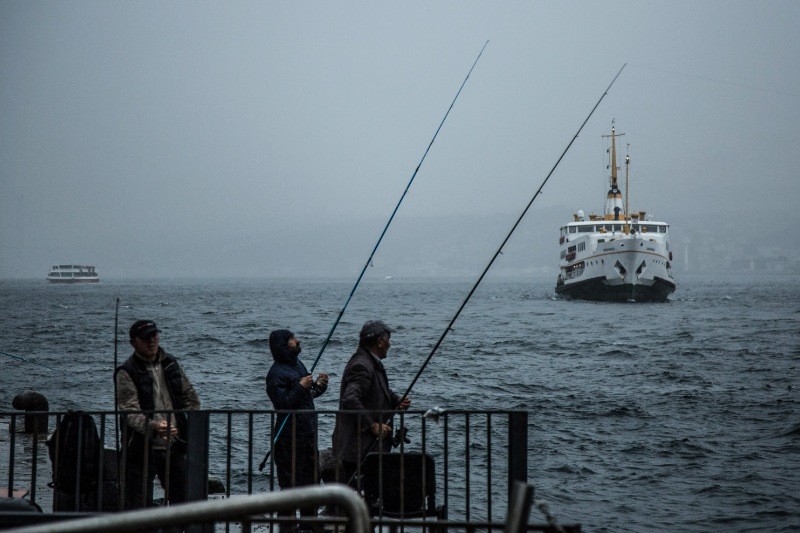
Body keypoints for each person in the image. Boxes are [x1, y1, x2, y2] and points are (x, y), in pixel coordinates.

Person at [115, 320, 201, 509]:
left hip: (175, 444)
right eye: (146, 338)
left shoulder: (170, 363)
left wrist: (191, 428)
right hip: (141, 447)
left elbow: (190, 397)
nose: (152, 341)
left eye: (154, 335)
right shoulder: (126, 371)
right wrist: (154, 427)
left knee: (183, 502)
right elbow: (130, 411)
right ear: (133, 342)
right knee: (139, 504)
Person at [331, 320, 410, 489]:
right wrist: (372, 425)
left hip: (365, 447)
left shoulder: (368, 362)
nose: (390, 344)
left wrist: (396, 399)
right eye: (388, 339)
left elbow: (378, 389)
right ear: (380, 341)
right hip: (359, 449)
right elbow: (350, 398)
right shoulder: (362, 365)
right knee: (362, 495)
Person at [266, 329, 328, 532]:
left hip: (308, 434)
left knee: (311, 483)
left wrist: (318, 387)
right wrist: (301, 387)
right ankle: (287, 528)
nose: (297, 340)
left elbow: (305, 397)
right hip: (288, 438)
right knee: (291, 487)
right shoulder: (275, 373)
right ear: (284, 345)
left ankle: (310, 526)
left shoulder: (298, 365)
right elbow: (283, 403)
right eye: (292, 339)